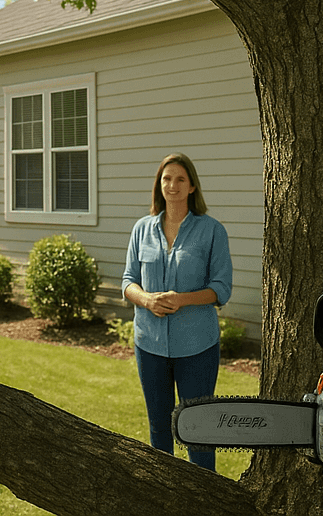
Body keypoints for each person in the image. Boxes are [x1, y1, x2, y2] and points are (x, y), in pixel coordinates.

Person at [121, 152, 233, 471]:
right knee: (159, 430)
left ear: (192, 187)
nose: (172, 185)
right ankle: (165, 496)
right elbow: (128, 281)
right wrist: (147, 300)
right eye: (167, 178)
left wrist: (181, 299)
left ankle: (205, 498)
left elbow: (221, 288)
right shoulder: (142, 229)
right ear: (159, 184)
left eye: (180, 179)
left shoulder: (212, 231)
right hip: (150, 346)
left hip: (197, 347)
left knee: (198, 429)